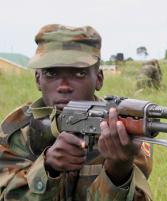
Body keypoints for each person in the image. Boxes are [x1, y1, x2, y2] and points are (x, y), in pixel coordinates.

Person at [0, 24, 152, 201]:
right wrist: (48, 166)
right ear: (38, 80)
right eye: (51, 73)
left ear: (99, 78)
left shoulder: (122, 129)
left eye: (79, 73)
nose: (64, 86)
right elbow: (9, 197)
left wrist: (118, 169)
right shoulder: (17, 130)